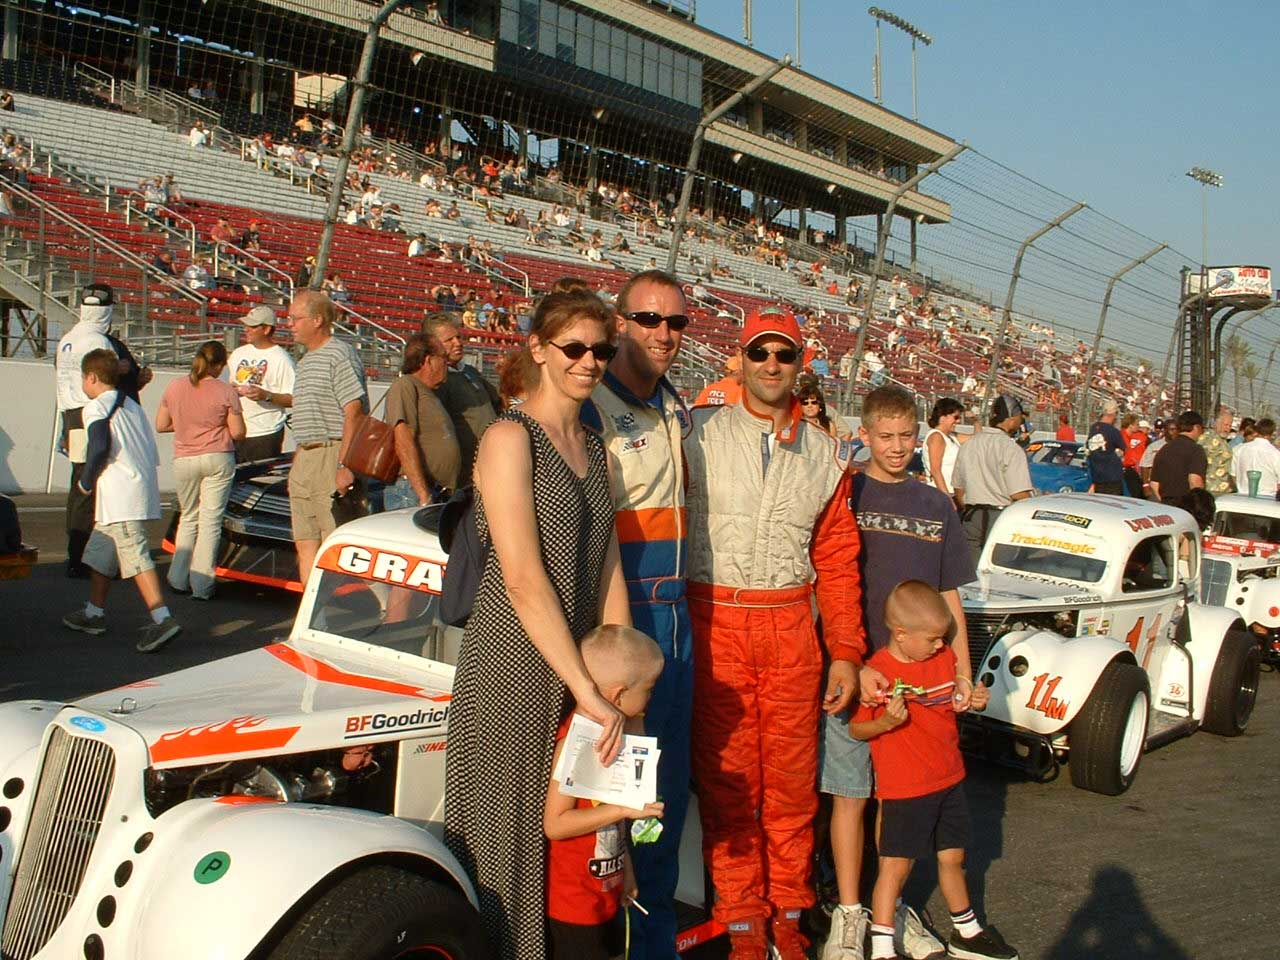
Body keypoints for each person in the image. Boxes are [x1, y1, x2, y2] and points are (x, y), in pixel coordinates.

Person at [445, 290, 631, 960]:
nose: (588, 362)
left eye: (601, 350)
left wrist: (621, 679)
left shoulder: (594, 444)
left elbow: (608, 565)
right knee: (511, 849)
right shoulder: (506, 437)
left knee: (573, 854)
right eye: (574, 348)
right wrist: (588, 687)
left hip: (578, 671)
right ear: (538, 348)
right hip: (513, 672)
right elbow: (522, 578)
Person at [685, 307, 867, 959]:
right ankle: (740, 921)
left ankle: (788, 918)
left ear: (801, 363)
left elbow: (839, 560)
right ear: (739, 359)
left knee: (791, 787)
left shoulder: (826, 456)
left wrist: (845, 652)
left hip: (791, 626)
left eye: (783, 355)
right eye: (759, 352)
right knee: (730, 783)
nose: (770, 365)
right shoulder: (695, 435)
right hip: (716, 621)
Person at [820, 386, 976, 960]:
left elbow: (948, 594)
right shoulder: (847, 490)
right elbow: (828, 578)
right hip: (853, 668)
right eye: (884, 436)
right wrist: (852, 661)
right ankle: (849, 912)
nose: (896, 447)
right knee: (849, 793)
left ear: (921, 435)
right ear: (864, 434)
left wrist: (960, 668)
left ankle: (892, 908)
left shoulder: (936, 505)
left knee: (899, 801)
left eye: (906, 436)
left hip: (918, 679)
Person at [579, 270, 692, 959]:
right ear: (620, 322)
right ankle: (616, 939)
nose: (663, 334)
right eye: (649, 319)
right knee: (622, 791)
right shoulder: (591, 405)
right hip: (628, 619)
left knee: (664, 799)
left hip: (679, 621)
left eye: (676, 323)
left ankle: (656, 939)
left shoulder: (674, 402)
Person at [849, 581, 1017, 960]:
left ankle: (967, 932)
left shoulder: (943, 662)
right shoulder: (878, 672)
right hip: (905, 789)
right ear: (901, 635)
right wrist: (885, 724)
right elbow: (857, 729)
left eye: (943, 638)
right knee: (895, 868)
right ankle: (880, 947)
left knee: (953, 858)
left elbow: (950, 704)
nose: (942, 646)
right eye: (934, 639)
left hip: (950, 780)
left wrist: (971, 698)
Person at [544, 625, 666, 960]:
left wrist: (625, 869)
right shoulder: (577, 742)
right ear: (618, 694)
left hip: (607, 893)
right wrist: (624, 809)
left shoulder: (615, 736)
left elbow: (610, 823)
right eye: (649, 690)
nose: (650, 699)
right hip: (573, 905)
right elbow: (556, 824)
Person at [61, 349, 181, 652]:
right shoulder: (130, 405)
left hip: (120, 494)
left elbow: (100, 446)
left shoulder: (96, 406)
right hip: (134, 489)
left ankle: (162, 619)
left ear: (91, 377)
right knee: (102, 554)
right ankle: (93, 613)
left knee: (136, 557)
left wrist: (86, 482)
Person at [284, 290, 369, 584]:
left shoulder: (340, 355)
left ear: (318, 320)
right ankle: (308, 623)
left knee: (337, 544)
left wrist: (344, 464)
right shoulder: (306, 361)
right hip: (306, 459)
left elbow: (354, 412)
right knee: (305, 543)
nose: (290, 324)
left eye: (295, 318)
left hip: (331, 454)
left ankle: (388, 608)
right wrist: (297, 462)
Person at [155, 342, 245, 601]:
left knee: (188, 516)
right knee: (211, 521)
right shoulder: (226, 391)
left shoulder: (175, 387)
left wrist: (187, 426)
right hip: (217, 456)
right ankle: (202, 584)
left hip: (185, 456)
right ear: (218, 365)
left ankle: (177, 577)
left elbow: (161, 425)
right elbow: (238, 432)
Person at [54, 284, 116, 577]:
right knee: (88, 485)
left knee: (78, 483)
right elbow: (108, 379)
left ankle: (76, 552)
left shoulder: (67, 338)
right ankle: (80, 556)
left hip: (69, 414)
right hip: (89, 414)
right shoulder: (97, 341)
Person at [383, 333, 460, 509]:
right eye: (443, 357)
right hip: (412, 493)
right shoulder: (405, 386)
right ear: (427, 360)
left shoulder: (429, 392)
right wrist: (423, 494)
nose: (446, 363)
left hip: (434, 491)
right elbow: (403, 439)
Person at [951, 394, 1033, 556]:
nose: (1020, 421)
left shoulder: (970, 444)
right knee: (998, 575)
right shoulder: (1011, 448)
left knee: (970, 575)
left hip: (972, 516)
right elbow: (1018, 494)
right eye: (1019, 417)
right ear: (1010, 419)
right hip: (1000, 518)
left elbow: (958, 489)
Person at [426, 315, 501, 484]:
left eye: (458, 337)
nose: (458, 343)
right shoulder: (435, 382)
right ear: (432, 344)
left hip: (491, 463)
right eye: (449, 340)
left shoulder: (471, 372)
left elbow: (498, 402)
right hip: (465, 475)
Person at [227, 305, 296, 462]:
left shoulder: (281, 359)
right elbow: (229, 384)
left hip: (264, 432)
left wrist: (266, 396)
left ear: (266, 329)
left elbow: (294, 398)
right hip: (236, 429)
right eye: (246, 325)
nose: (247, 329)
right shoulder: (239, 353)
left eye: (252, 326)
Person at [1150, 411, 1207, 503]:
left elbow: (1154, 484)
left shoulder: (1164, 449)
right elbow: (1195, 480)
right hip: (1187, 505)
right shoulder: (1196, 450)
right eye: (1202, 429)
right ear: (1196, 427)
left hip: (1167, 505)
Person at [923, 397, 964, 498]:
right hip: (940, 494)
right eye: (955, 417)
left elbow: (977, 438)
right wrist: (947, 498)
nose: (958, 421)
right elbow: (936, 470)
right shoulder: (936, 437)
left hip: (953, 493)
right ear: (942, 417)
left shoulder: (952, 437)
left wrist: (976, 420)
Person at [1230, 417, 1280, 498]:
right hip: (1268, 499)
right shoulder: (1275, 454)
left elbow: (1233, 475)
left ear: (1257, 430)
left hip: (1241, 497)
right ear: (1272, 433)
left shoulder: (1239, 449)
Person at [1084, 399, 1125, 495]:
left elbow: (1088, 448)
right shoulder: (1113, 431)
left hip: (1097, 475)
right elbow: (1123, 450)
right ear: (1114, 414)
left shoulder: (1093, 428)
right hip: (1112, 476)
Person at [1200, 404, 1236, 495]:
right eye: (1225, 425)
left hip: (1222, 489)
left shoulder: (1223, 440)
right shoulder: (1207, 439)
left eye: (1230, 425)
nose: (1227, 428)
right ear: (1216, 423)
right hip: (1210, 488)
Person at [1121, 415, 1149, 500]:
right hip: (1125, 469)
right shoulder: (1121, 436)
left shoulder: (1134, 436)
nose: (1139, 427)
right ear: (1131, 425)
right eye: (1137, 424)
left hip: (1134, 469)